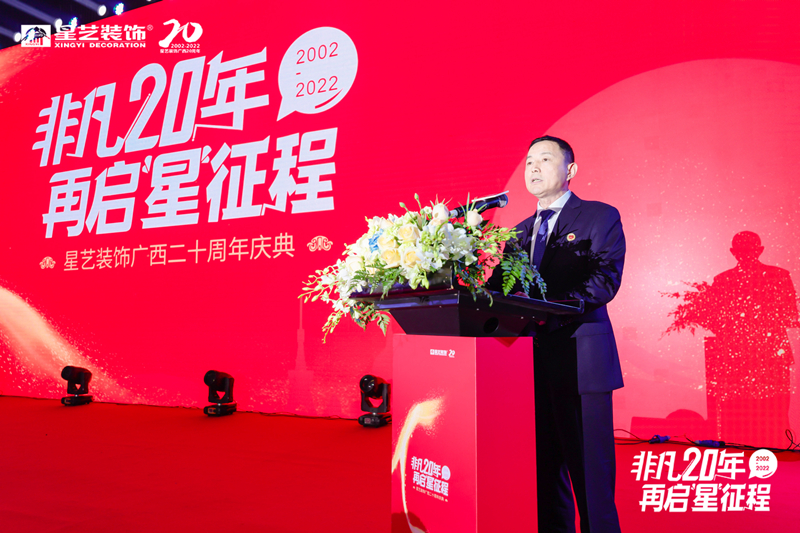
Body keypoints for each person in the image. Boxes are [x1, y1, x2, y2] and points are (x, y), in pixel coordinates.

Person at [488, 135, 625, 532]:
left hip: (581, 363)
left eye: (545, 159)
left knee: (590, 474)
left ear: (571, 170)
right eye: (529, 160)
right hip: (529, 367)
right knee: (544, 475)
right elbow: (500, 291)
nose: (533, 166)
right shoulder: (517, 233)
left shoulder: (599, 216)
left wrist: (547, 308)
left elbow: (604, 280)